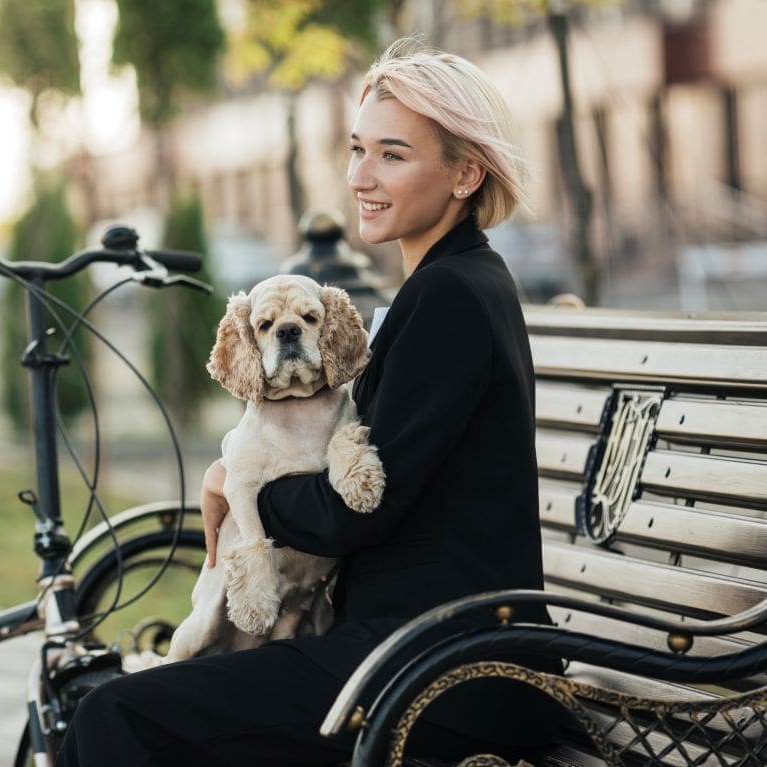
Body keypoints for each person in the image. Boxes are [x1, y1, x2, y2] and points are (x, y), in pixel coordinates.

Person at [56, 37, 560, 767]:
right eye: (357, 149)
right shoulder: (456, 282)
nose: (361, 175)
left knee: (117, 712)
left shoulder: (449, 295)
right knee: (135, 701)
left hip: (443, 670)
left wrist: (239, 485)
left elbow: (362, 506)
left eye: (393, 154)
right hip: (418, 649)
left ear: (464, 174)